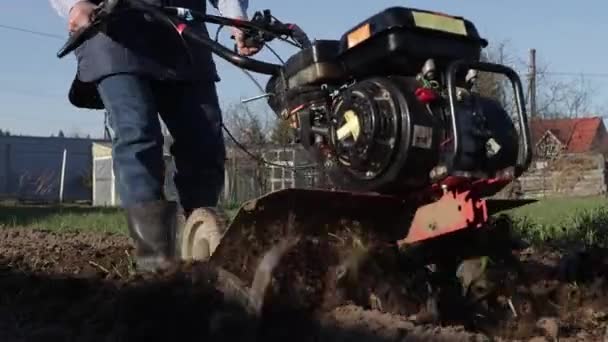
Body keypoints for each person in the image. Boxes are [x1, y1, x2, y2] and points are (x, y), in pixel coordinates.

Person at [50, 0, 261, 272]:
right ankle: (155, 262)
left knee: (204, 139)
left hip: (181, 30)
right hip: (113, 29)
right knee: (137, 132)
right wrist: (75, 4)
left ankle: (200, 239)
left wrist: (237, 19)